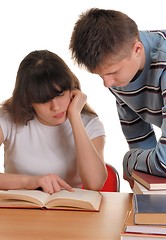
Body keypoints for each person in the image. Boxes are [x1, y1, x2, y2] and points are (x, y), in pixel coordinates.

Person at [69, 8, 166, 186]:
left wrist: (129, 161)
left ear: (137, 49)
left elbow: (164, 161)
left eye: (113, 73)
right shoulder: (119, 74)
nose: (107, 84)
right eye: (100, 75)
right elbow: (141, 145)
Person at [0, 50, 108, 194]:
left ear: (72, 89)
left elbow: (94, 183)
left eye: (60, 94)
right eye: (44, 100)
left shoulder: (89, 124)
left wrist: (74, 116)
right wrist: (31, 182)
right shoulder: (8, 118)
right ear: (29, 100)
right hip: (18, 209)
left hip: (69, 210)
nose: (55, 107)